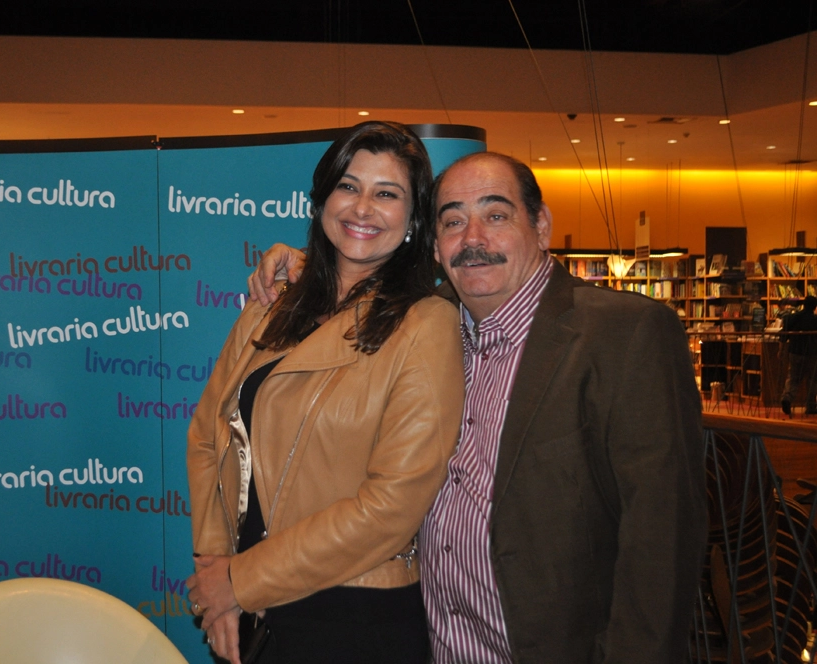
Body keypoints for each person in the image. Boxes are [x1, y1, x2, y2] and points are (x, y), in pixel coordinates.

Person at [248, 151, 707, 663]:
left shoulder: (623, 334)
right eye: (453, 222)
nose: (473, 240)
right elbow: (358, 285)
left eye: (495, 215)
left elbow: (662, 541)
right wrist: (304, 262)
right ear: (437, 248)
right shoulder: (425, 324)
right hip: (434, 646)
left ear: (541, 225)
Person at [185, 121, 465, 664]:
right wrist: (216, 574)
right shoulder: (274, 303)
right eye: (348, 185)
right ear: (321, 200)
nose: (363, 207)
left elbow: (392, 506)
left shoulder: (426, 323)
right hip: (249, 608)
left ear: (412, 222)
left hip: (353, 614)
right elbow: (207, 436)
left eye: (387, 194)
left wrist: (240, 580)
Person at [780, 295, 817, 415]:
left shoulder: (794, 317)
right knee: (812, 379)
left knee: (793, 377)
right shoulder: (815, 319)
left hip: (795, 351)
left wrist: (781, 349)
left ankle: (787, 398)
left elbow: (784, 333)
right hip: (812, 353)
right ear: (814, 307)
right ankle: (810, 406)